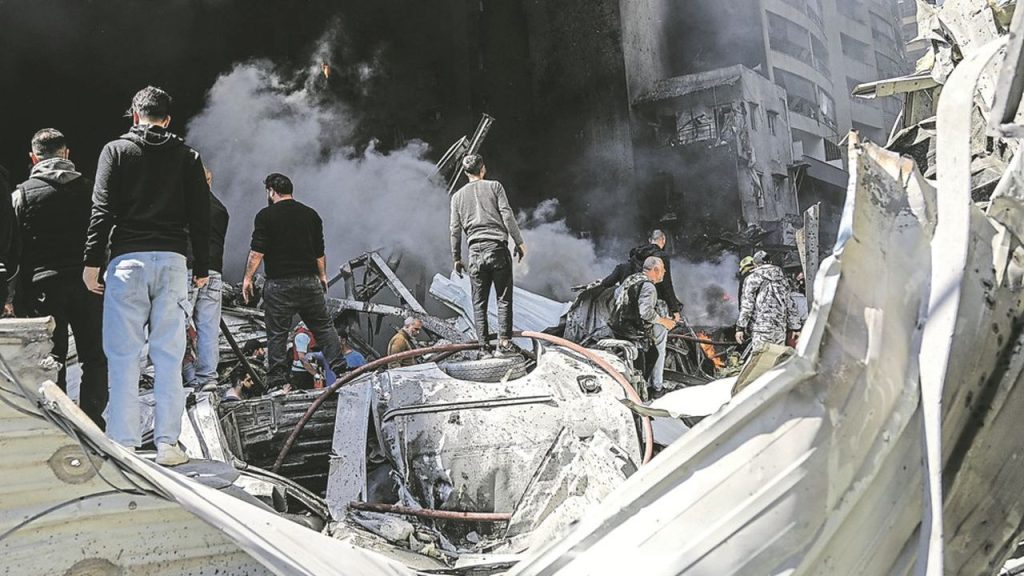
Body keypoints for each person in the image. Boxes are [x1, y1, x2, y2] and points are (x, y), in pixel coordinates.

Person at [83, 86, 210, 466]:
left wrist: (92, 261)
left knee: (123, 356)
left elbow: (101, 209)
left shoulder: (115, 151)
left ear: (134, 115)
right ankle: (168, 445)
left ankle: (123, 443)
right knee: (169, 357)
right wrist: (201, 266)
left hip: (127, 263)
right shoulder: (188, 157)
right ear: (168, 119)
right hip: (172, 262)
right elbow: (200, 215)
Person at [9, 129, 108, 427]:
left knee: (52, 359)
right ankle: (93, 422)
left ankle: (60, 423)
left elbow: (13, 248)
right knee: (94, 356)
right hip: (88, 284)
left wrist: (11, 297)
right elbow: (105, 236)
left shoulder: (22, 193)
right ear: (66, 154)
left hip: (43, 287)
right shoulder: (92, 190)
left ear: (33, 157)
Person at [242, 173, 345, 391]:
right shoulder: (311, 215)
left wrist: (247, 279)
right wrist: (323, 276)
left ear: (271, 191)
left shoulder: (265, 216)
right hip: (310, 282)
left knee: (277, 333)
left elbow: (256, 252)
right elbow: (319, 252)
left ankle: (278, 382)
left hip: (280, 285)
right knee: (324, 328)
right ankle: (342, 370)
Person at [449, 154, 525, 354]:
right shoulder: (495, 187)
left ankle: (483, 348)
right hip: (497, 249)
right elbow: (507, 215)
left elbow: (454, 230)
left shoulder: (457, 198)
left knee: (479, 303)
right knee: (503, 299)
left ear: (465, 173)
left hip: (475, 253)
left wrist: (457, 258)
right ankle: (505, 343)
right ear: (483, 169)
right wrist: (519, 242)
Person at [183, 166, 229, 391]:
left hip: (189, 270)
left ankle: (180, 375)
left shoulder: (185, 205)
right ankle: (208, 378)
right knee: (209, 327)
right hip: (214, 273)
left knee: (177, 324)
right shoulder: (221, 209)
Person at [607, 256, 677, 393]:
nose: (664, 273)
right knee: (651, 357)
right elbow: (645, 312)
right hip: (634, 332)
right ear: (656, 270)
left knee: (648, 356)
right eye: (663, 270)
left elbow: (617, 295)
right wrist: (664, 321)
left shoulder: (632, 279)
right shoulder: (649, 287)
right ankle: (643, 392)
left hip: (619, 327)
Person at [600, 229, 683, 321]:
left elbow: (608, 283)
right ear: (663, 240)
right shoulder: (661, 257)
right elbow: (666, 285)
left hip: (628, 310)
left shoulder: (635, 256)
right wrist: (675, 309)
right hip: (652, 307)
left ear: (650, 240)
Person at [735, 255, 801, 348]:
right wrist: (796, 327)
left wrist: (740, 328)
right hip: (780, 329)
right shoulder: (782, 279)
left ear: (755, 264)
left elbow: (747, 305)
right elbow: (790, 304)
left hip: (761, 329)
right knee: (777, 359)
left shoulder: (752, 278)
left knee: (760, 358)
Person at [289, 321, 322, 390]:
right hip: (301, 373)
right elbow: (302, 358)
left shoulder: (311, 334)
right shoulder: (302, 335)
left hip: (309, 370)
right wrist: (315, 374)